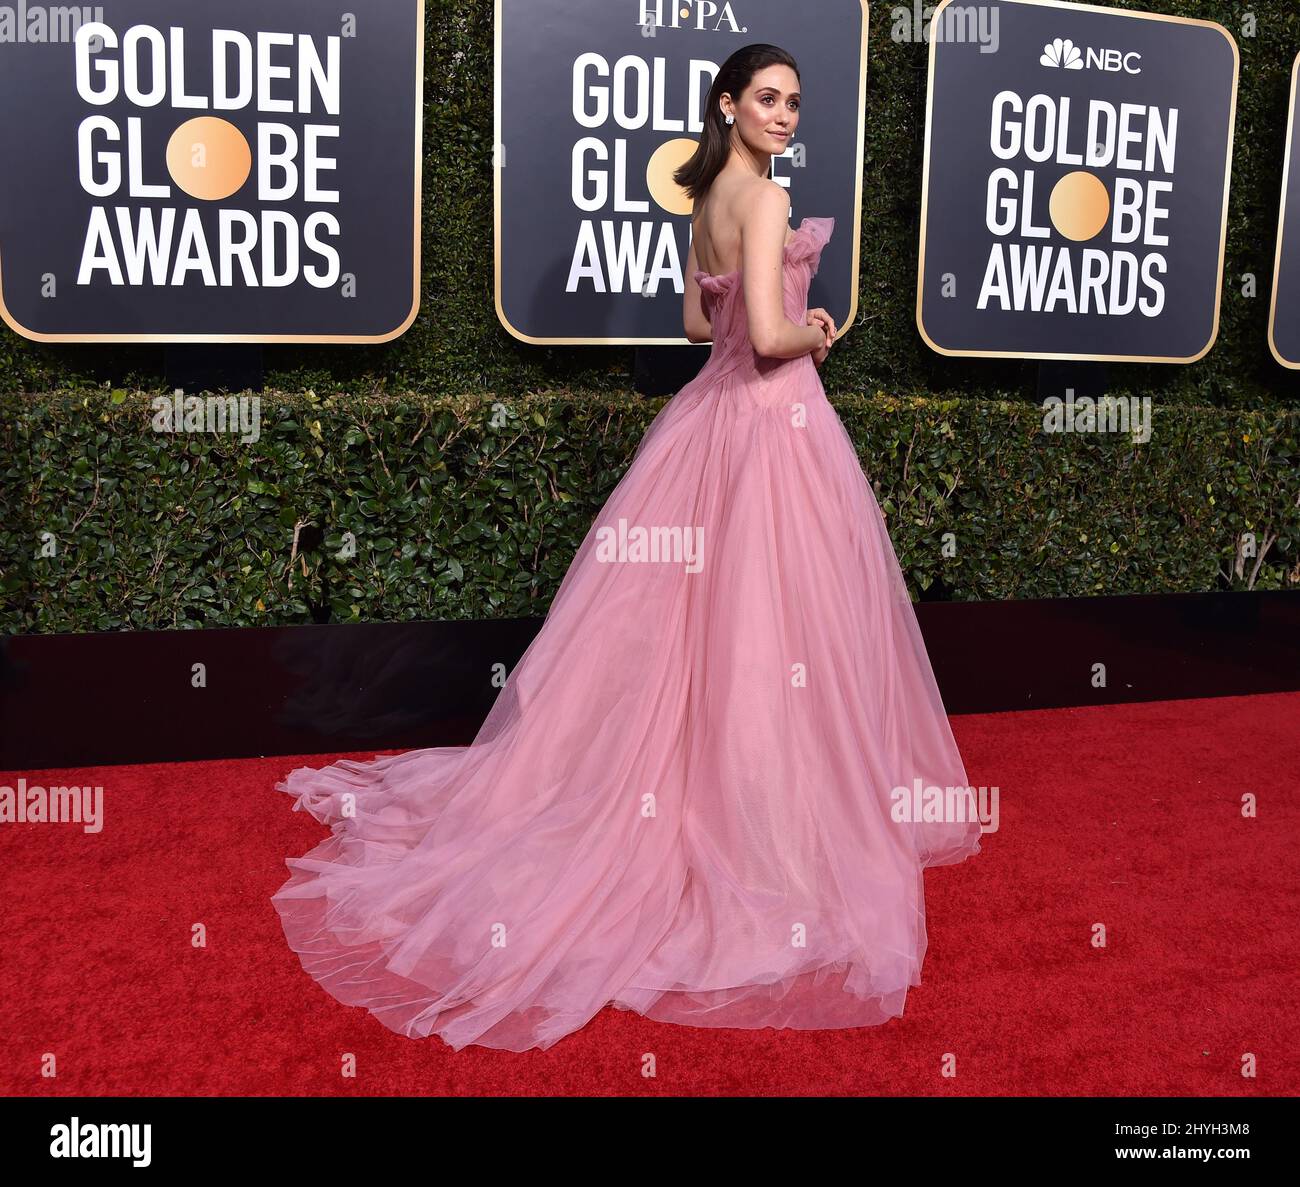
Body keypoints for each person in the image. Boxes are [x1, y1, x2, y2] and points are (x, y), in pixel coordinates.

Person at [272, 43, 982, 1053]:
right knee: (770, 628)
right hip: (773, 429)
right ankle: (767, 839)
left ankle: (717, 812)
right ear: (728, 102)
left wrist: (759, 323)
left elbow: (700, 321)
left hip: (706, 428)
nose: (783, 115)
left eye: (791, 101)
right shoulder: (766, 200)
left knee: (703, 632)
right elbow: (766, 335)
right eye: (767, 98)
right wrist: (815, 326)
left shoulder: (702, 197)